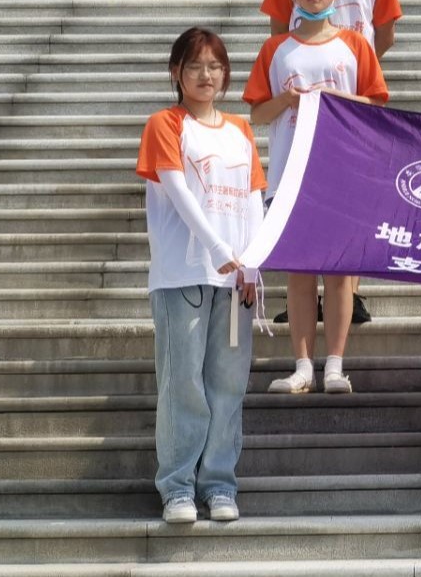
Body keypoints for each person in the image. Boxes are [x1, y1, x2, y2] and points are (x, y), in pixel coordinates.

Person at [260, 0, 403, 325]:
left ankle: (349, 294)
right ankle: (300, 297)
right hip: (300, 103)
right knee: (299, 193)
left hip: (352, 102)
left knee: (350, 196)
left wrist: (353, 70)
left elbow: (385, 32)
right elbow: (278, 32)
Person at [136, 27, 264, 523]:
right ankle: (177, 488)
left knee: (227, 384)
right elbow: (178, 191)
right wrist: (217, 248)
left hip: (234, 281)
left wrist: (253, 261)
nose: (206, 75)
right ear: (177, 73)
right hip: (183, 273)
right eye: (195, 66)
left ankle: (219, 485)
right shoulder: (166, 124)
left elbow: (253, 196)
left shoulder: (240, 130)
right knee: (183, 383)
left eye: (214, 66)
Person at [244, 0, 389, 395]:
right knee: (300, 274)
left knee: (340, 274)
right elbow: (257, 112)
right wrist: (288, 100)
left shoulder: (355, 45)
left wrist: (335, 97)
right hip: (291, 174)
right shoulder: (276, 50)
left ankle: (335, 366)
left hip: (342, 173)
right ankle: (303, 366)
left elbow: (377, 104)